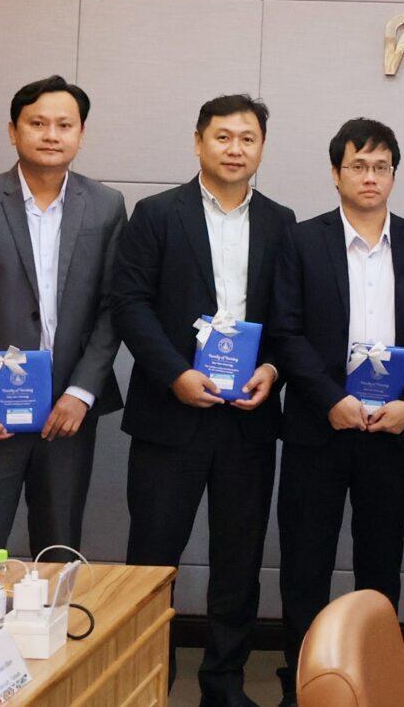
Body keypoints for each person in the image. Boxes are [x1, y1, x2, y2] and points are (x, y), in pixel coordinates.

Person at [105, 94, 293, 707]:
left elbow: (290, 316)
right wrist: (175, 375)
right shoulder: (158, 214)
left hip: (247, 420)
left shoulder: (281, 221)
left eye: (248, 138)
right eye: (223, 137)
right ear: (198, 142)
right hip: (171, 414)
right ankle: (146, 680)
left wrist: (272, 370)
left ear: (261, 147)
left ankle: (224, 683)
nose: (235, 149)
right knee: (152, 558)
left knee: (238, 562)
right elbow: (129, 303)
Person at [273, 118, 404, 702]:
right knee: (305, 565)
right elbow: (286, 332)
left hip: (392, 432)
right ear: (335, 173)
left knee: (381, 565)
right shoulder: (301, 240)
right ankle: (302, 686)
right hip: (318, 428)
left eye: (381, 167)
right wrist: (331, 399)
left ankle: (375, 683)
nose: (370, 177)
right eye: (358, 166)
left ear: (393, 174)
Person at [0, 75, 127, 557]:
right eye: (37, 123)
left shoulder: (106, 206)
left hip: (68, 409)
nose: (51, 135)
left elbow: (113, 309)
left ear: (81, 134)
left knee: (59, 549)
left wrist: (81, 393)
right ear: (13, 131)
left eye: (64, 125)